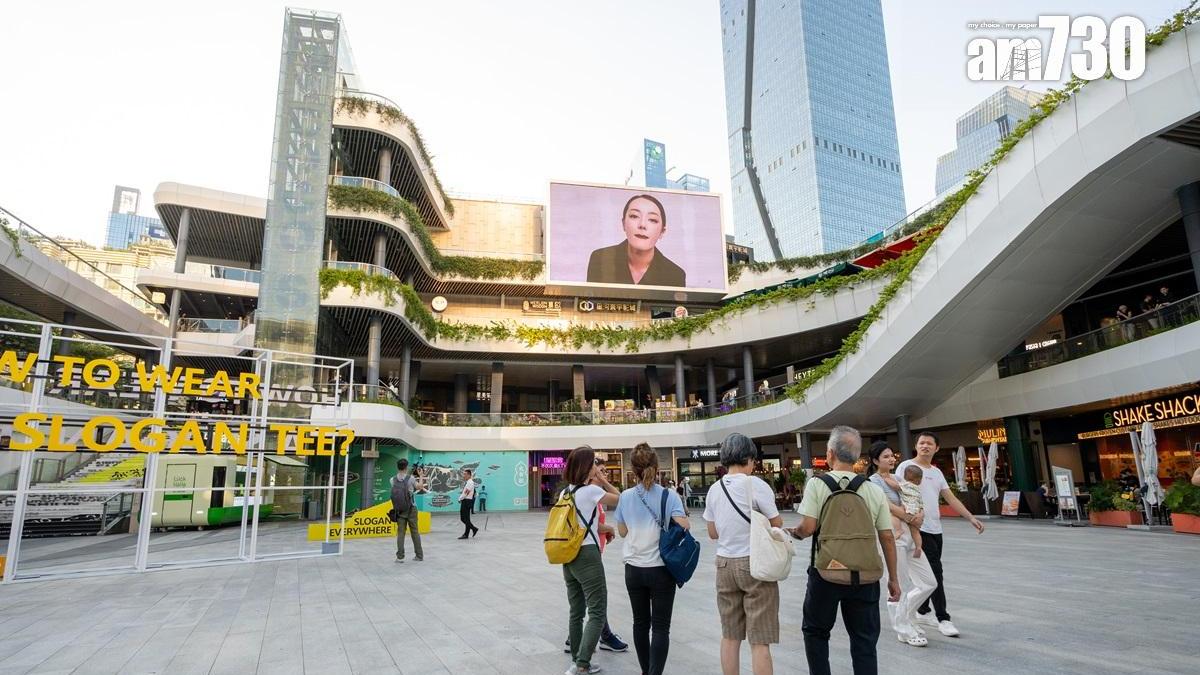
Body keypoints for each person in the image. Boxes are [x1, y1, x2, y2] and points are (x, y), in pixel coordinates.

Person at [790, 427, 900, 674]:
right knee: (864, 641)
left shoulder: (817, 484)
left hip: (826, 573)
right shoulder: (873, 489)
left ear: (829, 454)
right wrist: (893, 578)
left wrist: (793, 533)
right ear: (859, 456)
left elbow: (807, 528)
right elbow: (887, 537)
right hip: (866, 576)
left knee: (816, 633)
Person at [703, 433, 782, 675]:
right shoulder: (757, 485)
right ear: (748, 458)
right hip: (754, 563)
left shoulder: (714, 489)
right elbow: (776, 522)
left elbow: (713, 532)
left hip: (724, 565)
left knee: (730, 635)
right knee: (760, 639)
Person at [897, 432, 985, 638]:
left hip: (936, 529)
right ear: (916, 446)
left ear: (936, 448)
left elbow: (950, 498)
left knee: (931, 572)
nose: (925, 446)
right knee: (936, 573)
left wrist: (970, 517)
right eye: (921, 443)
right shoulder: (906, 466)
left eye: (929, 443)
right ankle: (943, 618)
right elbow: (898, 493)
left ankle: (921, 610)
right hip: (919, 528)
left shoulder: (936, 473)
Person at [614, 443, 689, 675]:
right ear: (656, 468)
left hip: (634, 570)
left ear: (633, 469)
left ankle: (646, 671)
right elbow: (685, 526)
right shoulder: (670, 496)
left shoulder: (625, 497)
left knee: (640, 623)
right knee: (660, 628)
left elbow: (623, 532)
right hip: (661, 570)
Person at [561, 446, 621, 675]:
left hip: (569, 555)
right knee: (597, 610)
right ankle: (583, 664)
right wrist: (603, 480)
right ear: (587, 467)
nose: (597, 466)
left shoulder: (566, 492)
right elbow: (621, 499)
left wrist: (604, 527)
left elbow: (585, 522)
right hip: (587, 555)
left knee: (576, 611)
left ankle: (576, 659)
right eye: (595, 463)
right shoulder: (590, 492)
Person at [586, 193, 686, 287]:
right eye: (634, 216)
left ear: (662, 232)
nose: (642, 225)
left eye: (652, 220)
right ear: (623, 224)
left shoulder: (675, 274)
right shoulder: (600, 259)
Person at [391, 459, 423, 563]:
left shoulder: (392, 480)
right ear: (406, 467)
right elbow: (420, 487)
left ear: (397, 467)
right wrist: (421, 475)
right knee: (414, 532)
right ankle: (419, 555)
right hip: (411, 508)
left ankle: (400, 557)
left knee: (400, 533)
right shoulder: (411, 479)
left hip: (399, 510)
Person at [898, 465, 925, 558]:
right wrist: (921, 512)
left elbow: (895, 486)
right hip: (916, 511)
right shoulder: (917, 489)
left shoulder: (905, 485)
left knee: (896, 516)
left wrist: (886, 480)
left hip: (907, 509)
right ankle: (918, 547)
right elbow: (921, 503)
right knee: (916, 532)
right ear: (920, 480)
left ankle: (898, 530)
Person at [457, 468, 479, 539]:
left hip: (466, 501)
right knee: (467, 519)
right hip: (466, 501)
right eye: (463, 474)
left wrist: (460, 498)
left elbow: (466, 493)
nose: (464, 476)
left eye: (465, 474)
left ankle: (474, 528)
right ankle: (466, 534)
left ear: (469, 475)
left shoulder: (470, 483)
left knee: (463, 518)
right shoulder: (469, 482)